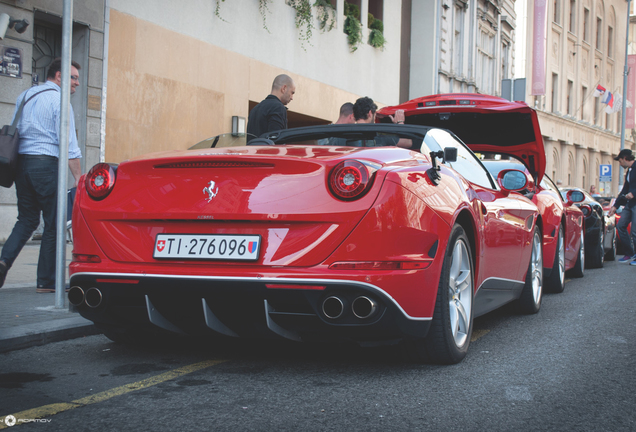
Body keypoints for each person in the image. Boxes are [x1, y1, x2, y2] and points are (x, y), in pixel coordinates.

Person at [0, 58, 83, 292]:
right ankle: (46, 282)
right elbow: (69, 145)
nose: (77, 83)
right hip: (45, 166)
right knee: (55, 224)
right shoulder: (60, 101)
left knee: (26, 220)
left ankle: (3, 260)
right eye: (73, 77)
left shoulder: (25, 96)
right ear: (58, 76)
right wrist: (79, 178)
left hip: (21, 166)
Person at [246, 74, 296, 142]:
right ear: (284, 88)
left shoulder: (255, 109)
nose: (292, 97)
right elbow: (277, 140)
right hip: (268, 152)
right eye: (292, 93)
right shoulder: (278, 108)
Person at [608, 149, 636, 263]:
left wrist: (633, 193)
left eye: (620, 161)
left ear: (625, 158)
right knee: (621, 226)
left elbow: (630, 191)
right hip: (629, 204)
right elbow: (625, 189)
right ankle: (630, 253)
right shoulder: (629, 171)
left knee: (634, 231)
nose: (620, 164)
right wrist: (615, 206)